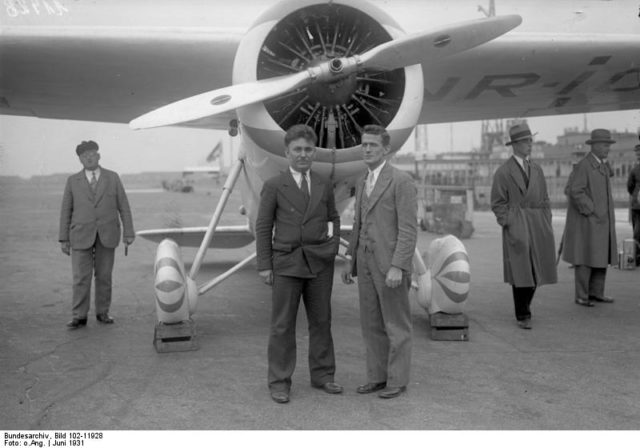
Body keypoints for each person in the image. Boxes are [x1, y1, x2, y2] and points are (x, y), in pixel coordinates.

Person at [255, 124, 342, 404]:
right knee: (282, 325)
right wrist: (265, 265)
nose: (303, 155)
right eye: (297, 150)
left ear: (314, 151)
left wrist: (330, 247)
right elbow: (263, 226)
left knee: (322, 321)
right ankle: (279, 382)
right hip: (286, 262)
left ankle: (323, 375)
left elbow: (333, 218)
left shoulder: (322, 183)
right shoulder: (273, 185)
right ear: (287, 152)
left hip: (319, 264)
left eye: (308, 149)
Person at [341, 124, 417, 399]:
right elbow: (359, 223)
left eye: (373, 145)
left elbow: (409, 229)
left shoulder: (401, 181)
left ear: (386, 149)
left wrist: (398, 265)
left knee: (396, 325)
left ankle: (397, 380)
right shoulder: (363, 181)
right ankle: (377, 377)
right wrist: (350, 260)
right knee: (371, 323)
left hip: (390, 266)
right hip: (365, 263)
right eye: (364, 145)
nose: (367, 149)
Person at [59, 140, 135, 329]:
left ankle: (103, 312)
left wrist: (129, 232)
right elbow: (65, 210)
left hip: (107, 234)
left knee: (104, 276)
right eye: (84, 155)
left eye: (92, 153)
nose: (89, 157)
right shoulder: (72, 181)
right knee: (80, 278)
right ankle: (79, 316)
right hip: (80, 236)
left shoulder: (113, 177)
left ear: (98, 155)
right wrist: (64, 238)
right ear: (80, 159)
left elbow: (123, 206)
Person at [490, 123, 557, 330]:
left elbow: (545, 197)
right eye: (526, 141)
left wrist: (547, 218)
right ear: (515, 145)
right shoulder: (503, 172)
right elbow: (497, 202)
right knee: (521, 269)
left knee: (538, 266)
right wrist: (509, 221)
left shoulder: (536, 169)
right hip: (517, 222)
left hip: (538, 223)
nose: (530, 144)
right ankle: (522, 313)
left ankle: (525, 306)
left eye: (530, 140)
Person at [562, 129, 618, 306]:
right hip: (589, 221)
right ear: (593, 146)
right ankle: (582, 295)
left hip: (601, 221)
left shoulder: (601, 164)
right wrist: (591, 209)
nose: (607, 148)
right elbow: (574, 191)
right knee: (585, 258)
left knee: (601, 257)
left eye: (608, 145)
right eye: (603, 145)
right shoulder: (584, 166)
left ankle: (596, 293)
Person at [626, 144, 640, 266]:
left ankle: (637, 256)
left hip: (637, 205)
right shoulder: (635, 169)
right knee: (637, 231)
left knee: (637, 232)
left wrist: (635, 195)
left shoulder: (635, 169)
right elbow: (629, 186)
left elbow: (629, 187)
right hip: (637, 205)